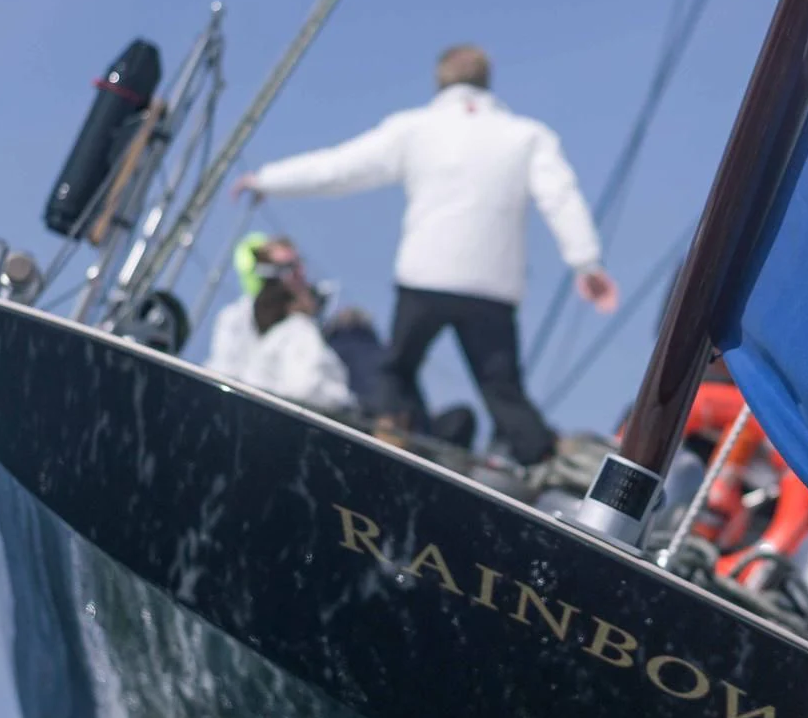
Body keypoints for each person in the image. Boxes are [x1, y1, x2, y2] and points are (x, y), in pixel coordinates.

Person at [230, 43, 616, 467]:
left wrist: (266, 180)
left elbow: (340, 167)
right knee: (501, 387)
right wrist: (586, 262)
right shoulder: (528, 136)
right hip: (493, 287)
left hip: (426, 279)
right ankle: (541, 458)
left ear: (440, 80)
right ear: (487, 81)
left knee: (396, 367)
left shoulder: (415, 128)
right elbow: (560, 196)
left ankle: (391, 432)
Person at [204, 234, 360, 417]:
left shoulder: (301, 329)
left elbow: (311, 389)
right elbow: (223, 371)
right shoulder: (238, 320)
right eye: (289, 268)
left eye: (299, 266)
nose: (301, 276)